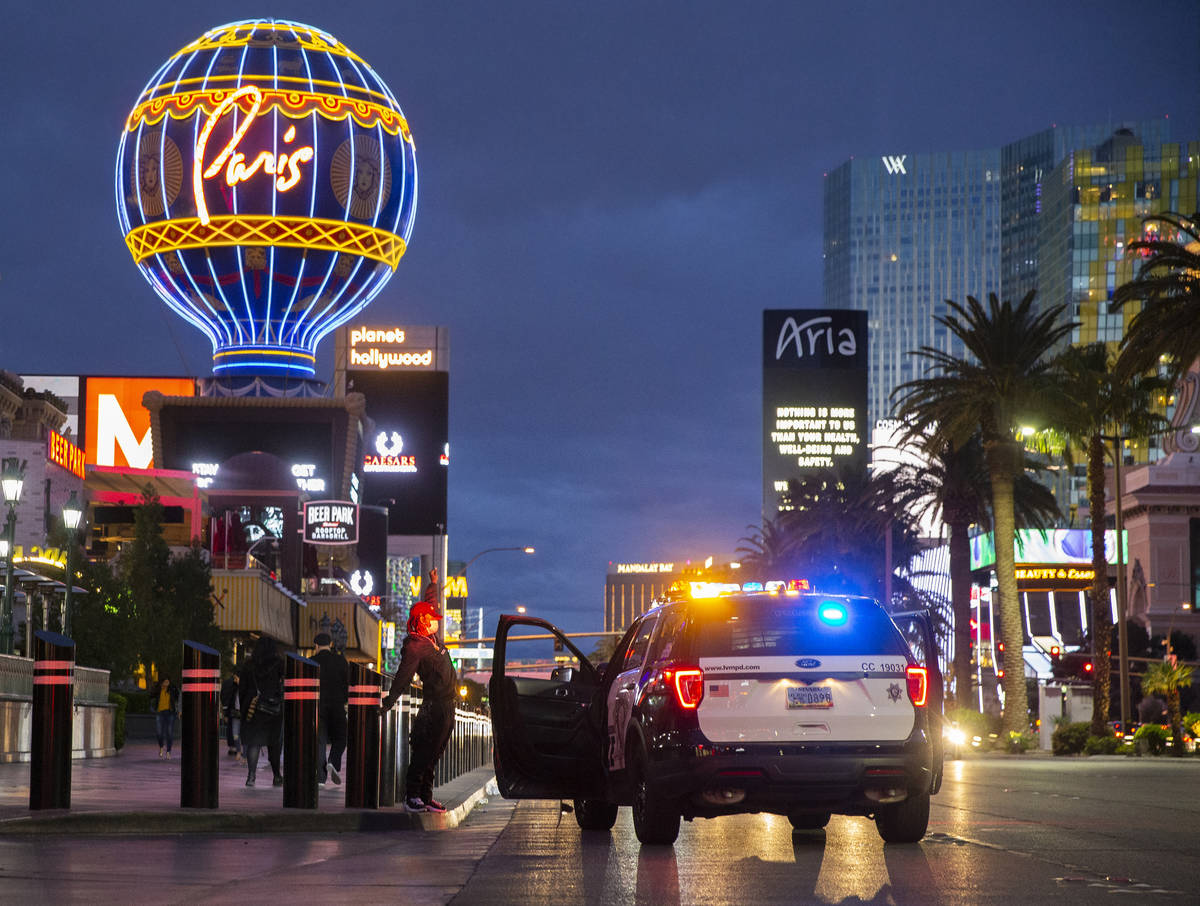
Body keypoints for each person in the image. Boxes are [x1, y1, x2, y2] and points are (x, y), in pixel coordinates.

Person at [381, 571, 457, 813]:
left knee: (435, 753)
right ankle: (412, 795)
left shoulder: (431, 637)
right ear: (423, 621)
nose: (437, 620)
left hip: (447, 705)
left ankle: (425, 796)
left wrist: (433, 584)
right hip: (433, 707)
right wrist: (389, 701)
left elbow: (430, 604)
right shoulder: (416, 646)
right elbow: (403, 676)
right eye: (432, 618)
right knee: (424, 751)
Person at [240, 636, 285, 788]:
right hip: (273, 708)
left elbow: (242, 689)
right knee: (274, 743)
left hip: (254, 707)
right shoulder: (278, 664)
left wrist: (245, 708)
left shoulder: (248, 665)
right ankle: (277, 776)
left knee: (254, 742)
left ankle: (251, 777)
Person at [311, 631, 348, 785]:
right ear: (330, 644)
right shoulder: (340, 661)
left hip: (318, 706)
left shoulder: (311, 661)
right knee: (341, 737)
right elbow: (347, 682)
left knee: (320, 741)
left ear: (316, 646)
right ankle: (333, 761)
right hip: (337, 704)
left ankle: (320, 777)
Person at [154, 676, 180, 759]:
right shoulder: (158, 689)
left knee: (169, 732)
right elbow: (151, 695)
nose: (166, 684)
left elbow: (178, 697)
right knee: (159, 732)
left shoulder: (172, 689)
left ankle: (168, 751)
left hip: (170, 713)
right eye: (165, 682)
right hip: (160, 712)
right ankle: (161, 745)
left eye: (167, 682)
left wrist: (178, 710)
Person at [220, 672, 243, 759]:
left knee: (235, 731)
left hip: (235, 712)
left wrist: (225, 712)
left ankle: (236, 749)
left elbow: (225, 697)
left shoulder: (231, 684)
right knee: (235, 732)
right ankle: (238, 750)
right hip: (235, 712)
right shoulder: (233, 686)